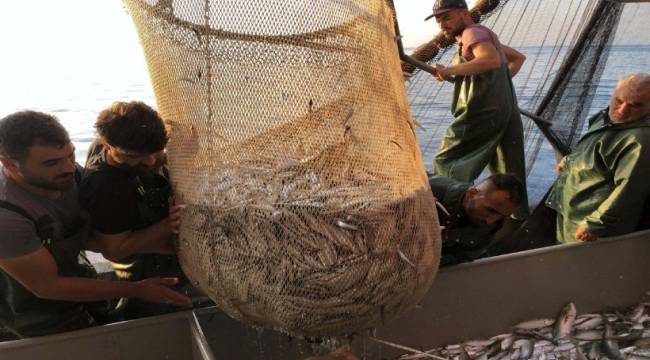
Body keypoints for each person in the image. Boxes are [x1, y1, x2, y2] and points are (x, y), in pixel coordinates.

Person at [0, 111, 192, 339]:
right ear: (9, 164)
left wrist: (150, 245)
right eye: (51, 162)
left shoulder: (68, 178)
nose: (70, 168)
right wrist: (138, 289)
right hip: (32, 311)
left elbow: (85, 235)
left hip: (75, 278)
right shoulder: (7, 218)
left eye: (70, 155)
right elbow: (47, 286)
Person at [81, 101, 189, 320]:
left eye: (156, 151)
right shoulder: (104, 186)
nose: (150, 162)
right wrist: (169, 224)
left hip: (167, 253)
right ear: (106, 145)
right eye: (133, 156)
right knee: (149, 319)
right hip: (142, 269)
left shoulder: (125, 144)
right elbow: (114, 250)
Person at [424, 0, 529, 220]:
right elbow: (517, 58)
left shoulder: (472, 33)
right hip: (506, 113)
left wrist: (449, 70)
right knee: (508, 170)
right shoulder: (486, 35)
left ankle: (449, 215)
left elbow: (489, 61)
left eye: (447, 18)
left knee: (446, 163)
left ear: (464, 13)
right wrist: (496, 80)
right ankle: (517, 219)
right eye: (438, 21)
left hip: (483, 113)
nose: (442, 25)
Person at [546, 73, 650, 243]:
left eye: (636, 105)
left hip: (591, 225)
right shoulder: (604, 117)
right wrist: (571, 159)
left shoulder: (640, 141)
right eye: (618, 101)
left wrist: (595, 225)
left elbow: (629, 191)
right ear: (613, 95)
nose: (623, 110)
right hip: (571, 211)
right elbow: (591, 147)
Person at [429, 173, 525, 266]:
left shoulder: (495, 220)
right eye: (490, 210)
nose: (490, 221)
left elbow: (464, 255)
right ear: (472, 193)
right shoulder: (427, 190)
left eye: (503, 216)